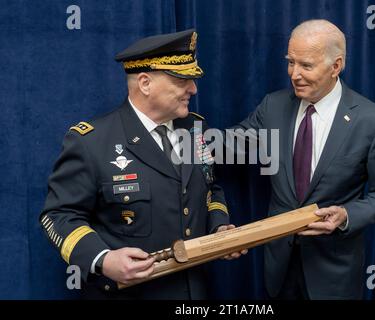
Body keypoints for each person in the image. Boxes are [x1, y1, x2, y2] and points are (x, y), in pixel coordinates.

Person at [39, 29, 243, 299]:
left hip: (195, 292)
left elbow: (209, 187)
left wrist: (219, 227)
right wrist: (103, 259)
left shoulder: (195, 127)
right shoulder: (91, 142)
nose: (193, 89)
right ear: (145, 83)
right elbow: (58, 216)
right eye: (182, 79)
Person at [233, 19, 375, 299]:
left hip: (333, 274)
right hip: (279, 268)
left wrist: (347, 215)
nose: (294, 74)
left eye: (306, 66)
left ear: (336, 66)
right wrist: (181, 143)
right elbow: (233, 145)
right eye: (291, 62)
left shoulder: (372, 122)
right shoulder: (273, 106)